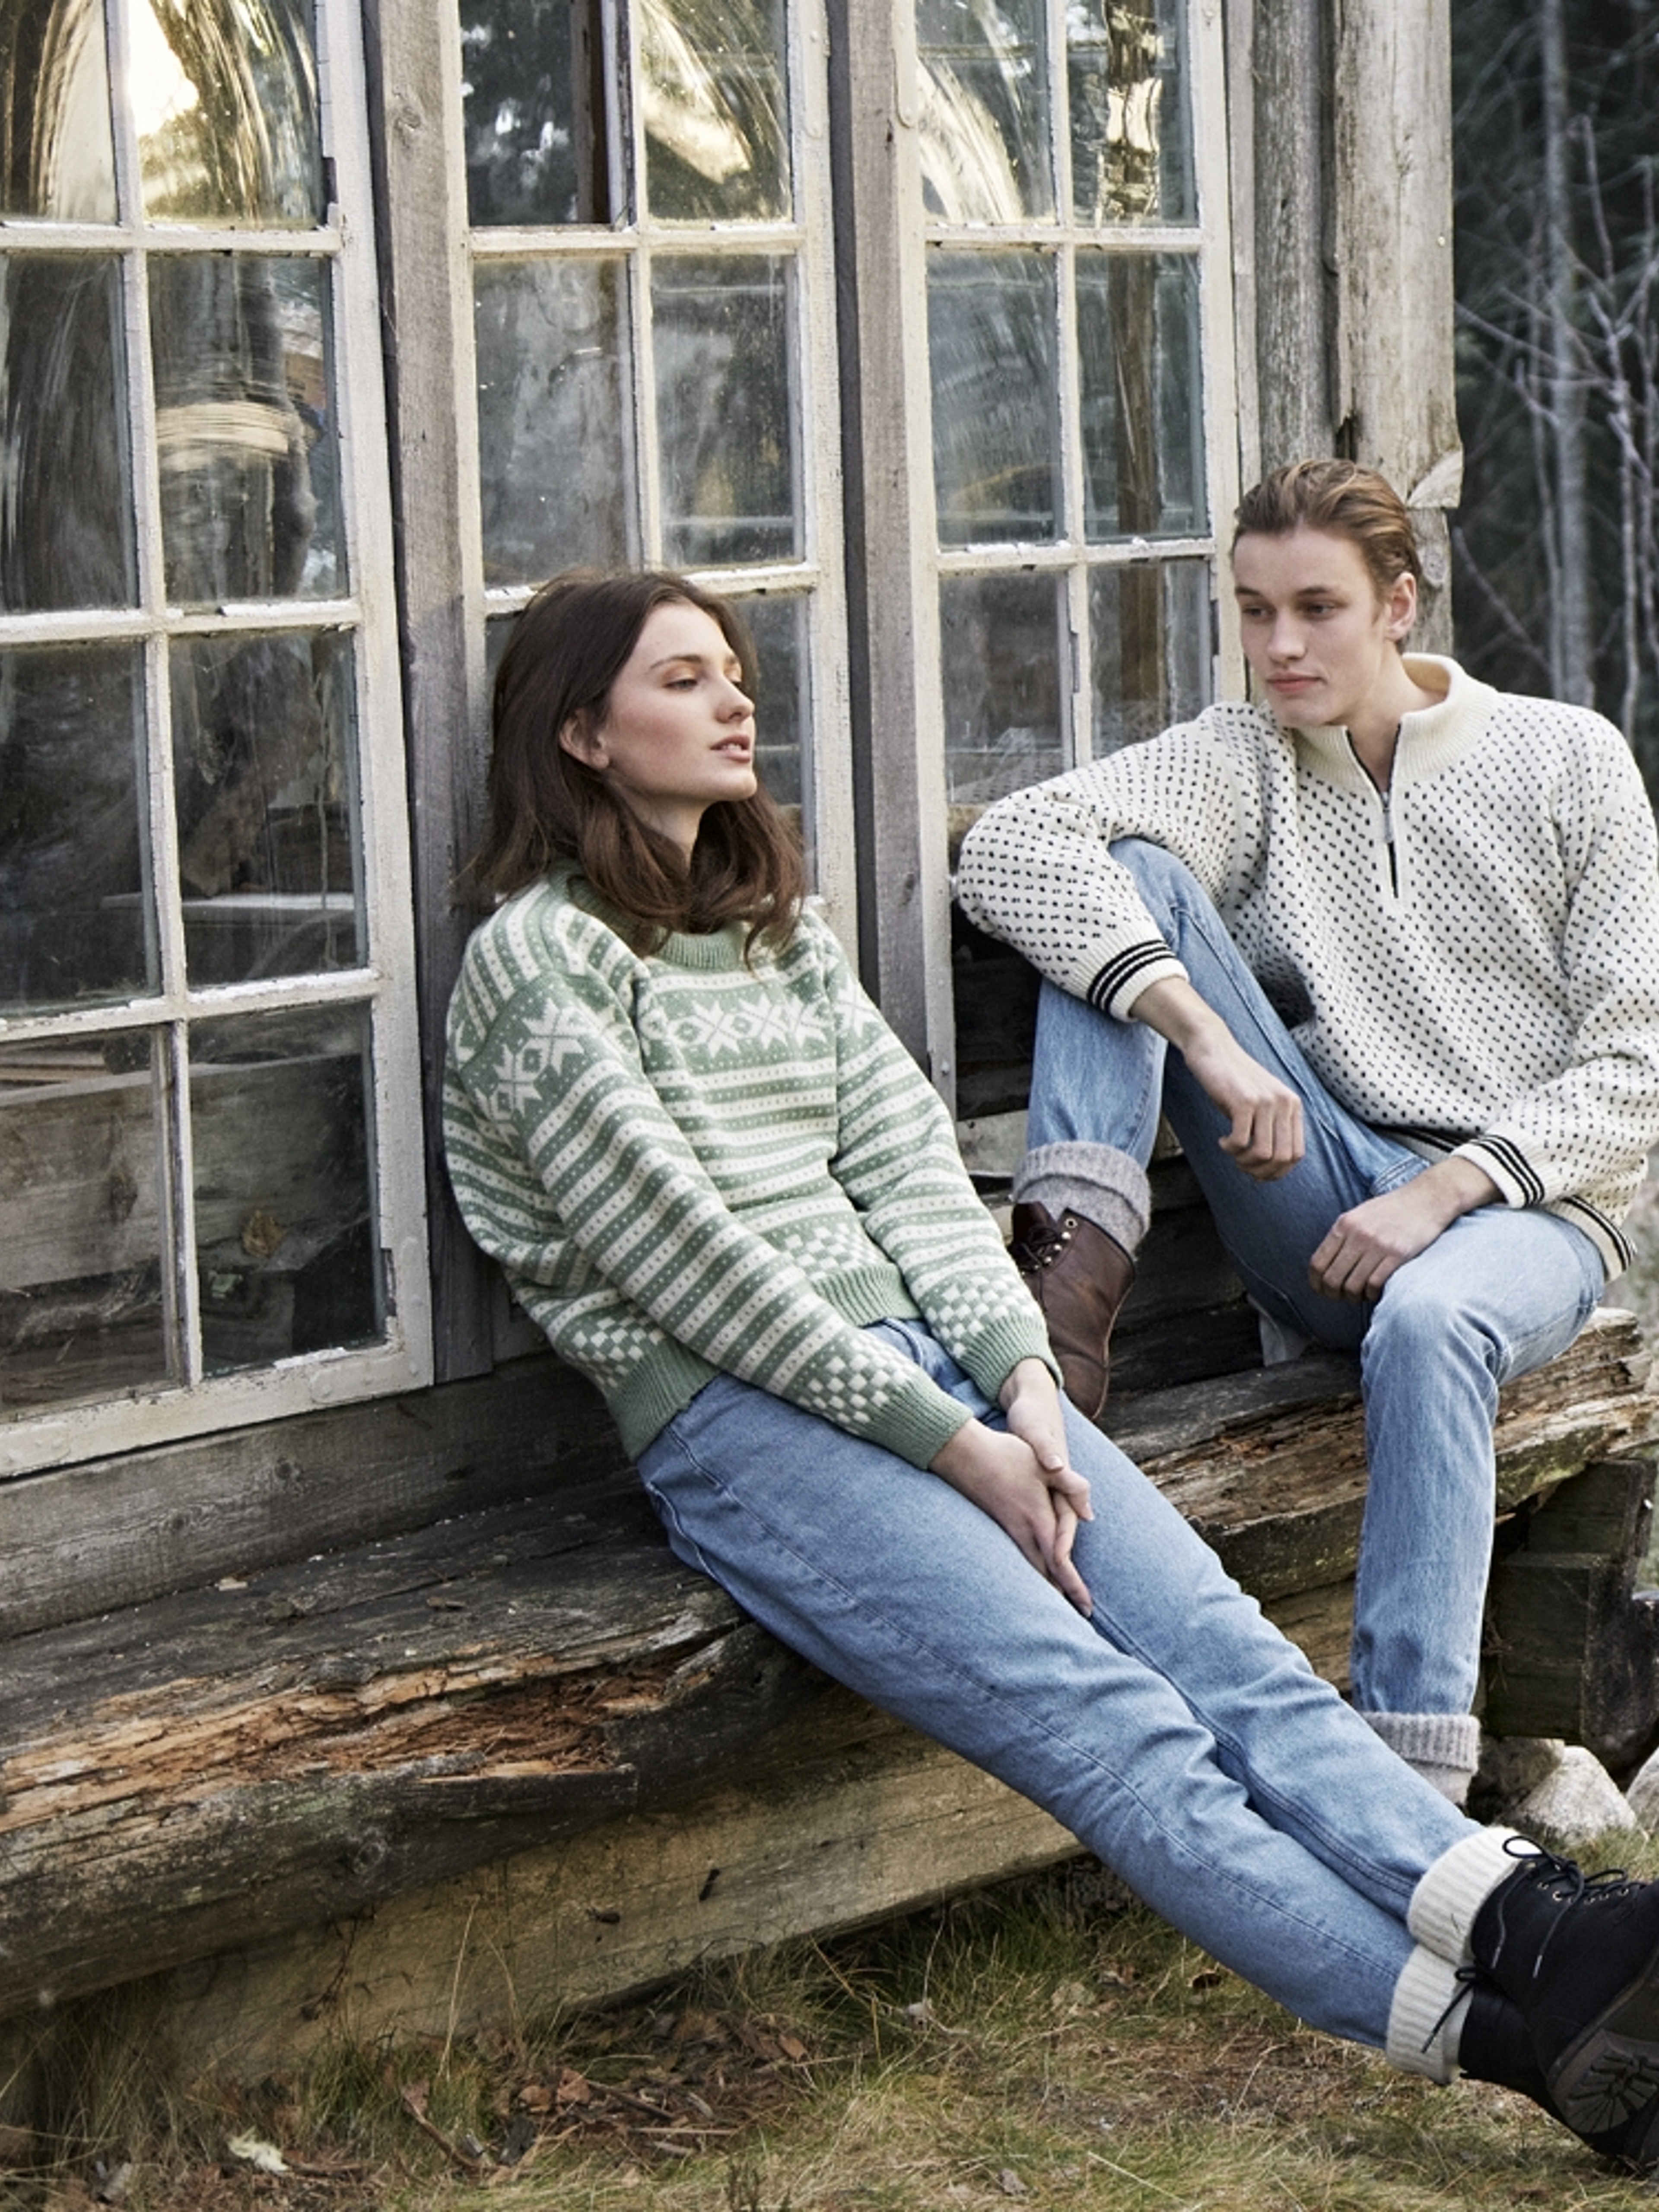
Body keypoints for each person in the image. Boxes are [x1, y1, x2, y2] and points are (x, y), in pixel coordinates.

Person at [442, 563, 1659, 2172]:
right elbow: (690, 1268)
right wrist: (961, 1448)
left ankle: (1531, 1934)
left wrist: (1020, 1381)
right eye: (684, 679)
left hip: (945, 1376)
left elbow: (910, 1182)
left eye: (733, 668)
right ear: (583, 734)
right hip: (747, 1423)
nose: (736, 699)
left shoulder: (774, 942)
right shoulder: (538, 968)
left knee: (1229, 1656)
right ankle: (1523, 2035)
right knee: (1120, 1737)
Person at [957, 459, 1659, 1810]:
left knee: (1435, 1322)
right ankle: (1063, 1321)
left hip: (1531, 1217)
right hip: (1323, 1198)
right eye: (1255, 609)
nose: (1281, 647)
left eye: (1318, 610)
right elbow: (1016, 850)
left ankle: (1408, 1789)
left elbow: (1637, 1061)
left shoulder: (1568, 757)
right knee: (1128, 871)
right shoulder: (1245, 757)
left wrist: (1451, 1190)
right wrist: (1206, 1038)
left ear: (1398, 606)